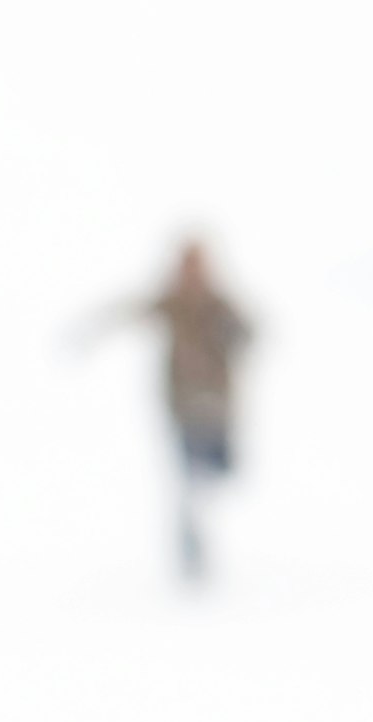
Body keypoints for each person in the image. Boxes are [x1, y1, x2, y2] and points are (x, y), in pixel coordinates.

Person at [96, 235, 254, 584]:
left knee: (220, 475)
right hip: (183, 409)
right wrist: (93, 329)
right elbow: (129, 310)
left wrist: (232, 333)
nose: (191, 274)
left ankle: (203, 523)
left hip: (218, 409)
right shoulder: (172, 303)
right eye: (186, 265)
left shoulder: (220, 304)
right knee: (188, 482)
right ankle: (191, 548)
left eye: (196, 265)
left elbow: (250, 333)